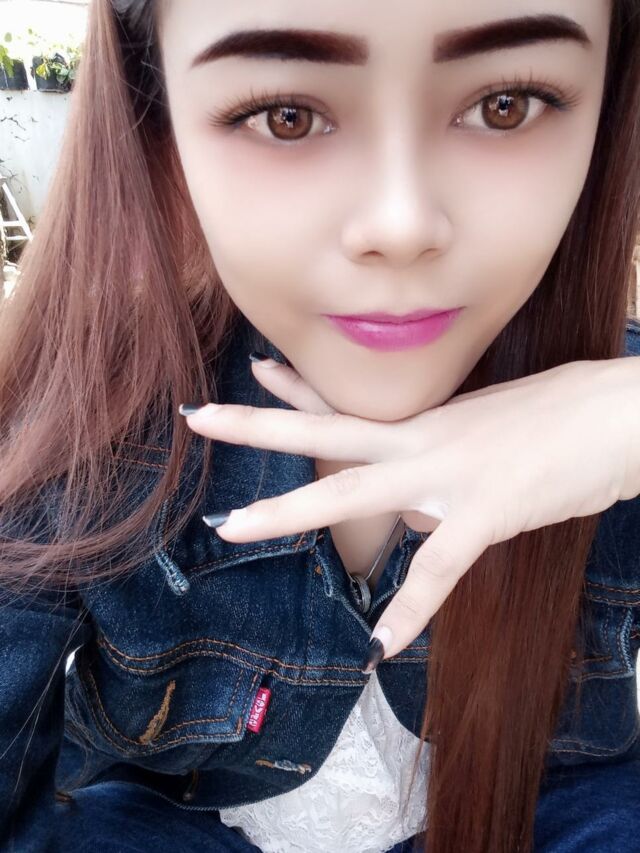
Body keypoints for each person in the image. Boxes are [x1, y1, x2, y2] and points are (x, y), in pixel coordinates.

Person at [0, 0, 639, 850]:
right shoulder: (91, 418)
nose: (400, 226)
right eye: (287, 116)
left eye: (505, 104)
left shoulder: (614, 425)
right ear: (159, 131)